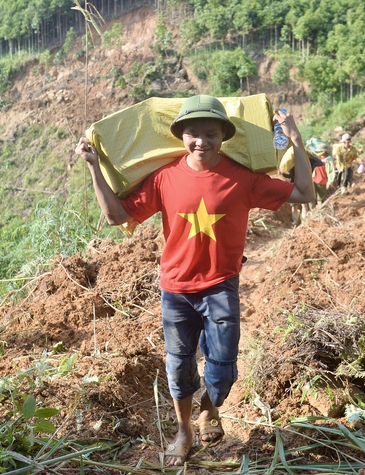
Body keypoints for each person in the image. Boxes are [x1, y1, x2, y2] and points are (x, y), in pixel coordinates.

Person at [75, 94, 314, 466]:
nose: (201, 140)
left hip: (220, 286)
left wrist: (296, 142)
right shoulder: (165, 178)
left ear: (224, 137)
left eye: (211, 133)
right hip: (176, 290)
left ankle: (209, 408)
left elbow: (304, 192)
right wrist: (93, 166)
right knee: (178, 365)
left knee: (222, 371)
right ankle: (184, 430)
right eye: (193, 133)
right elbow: (115, 215)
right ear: (180, 136)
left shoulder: (242, 180)